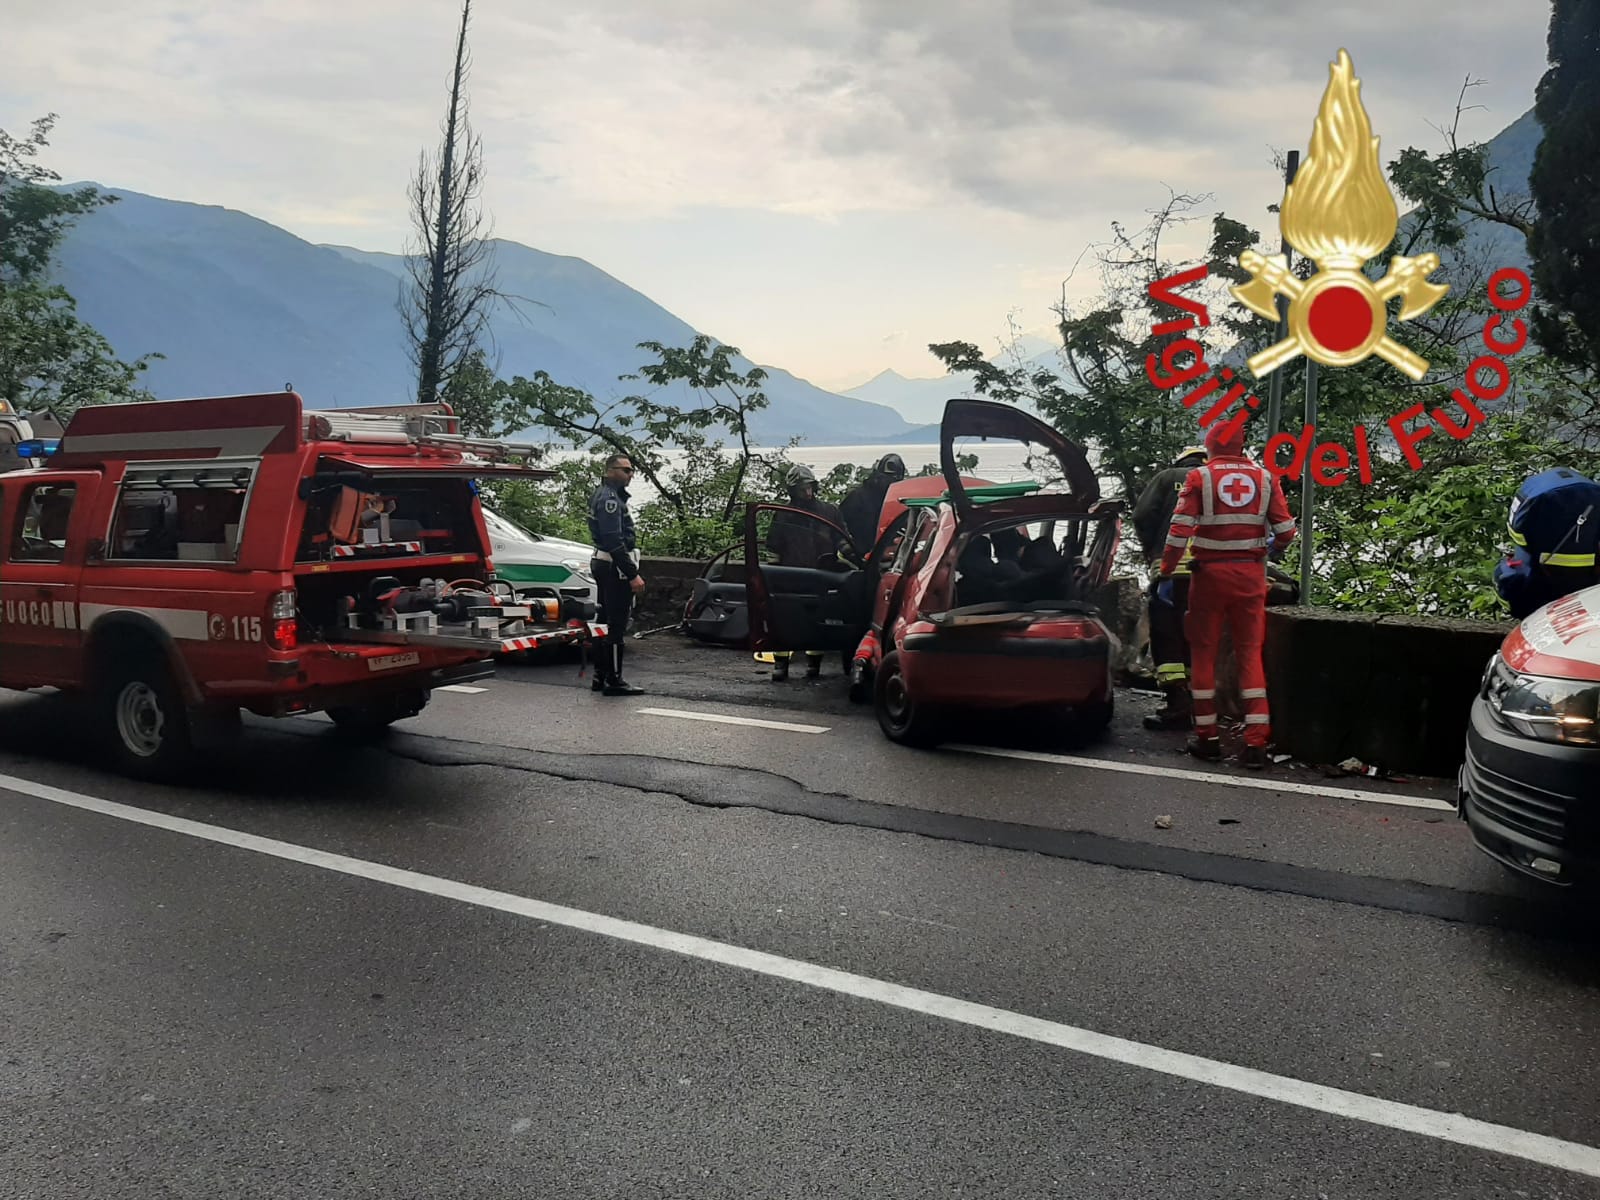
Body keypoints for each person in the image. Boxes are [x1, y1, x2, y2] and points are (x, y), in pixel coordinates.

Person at [1157, 415, 1295, 769]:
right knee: (1250, 654)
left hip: (1208, 579)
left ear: (1211, 446)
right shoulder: (1265, 479)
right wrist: (1270, 549)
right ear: (1241, 447)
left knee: (1203, 653)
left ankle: (1208, 738)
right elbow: (1286, 531)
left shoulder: (1199, 477)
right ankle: (1255, 744)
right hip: (1251, 577)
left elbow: (1177, 533)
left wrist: (1166, 572)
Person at [1133, 445, 1208, 730]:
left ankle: (1177, 703)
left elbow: (1142, 515)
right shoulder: (1215, 480)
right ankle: (1201, 704)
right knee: (1198, 636)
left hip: (1170, 567)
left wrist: (1150, 548)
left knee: (1167, 634)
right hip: (1208, 571)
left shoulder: (1167, 478)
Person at [766, 463, 849, 681]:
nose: (808, 492)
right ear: (792, 490)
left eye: (810, 487)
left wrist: (848, 553)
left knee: (818, 621)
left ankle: (814, 665)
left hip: (821, 576)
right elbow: (773, 547)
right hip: (790, 578)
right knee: (785, 621)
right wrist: (773, 578)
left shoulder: (829, 512)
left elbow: (841, 539)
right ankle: (781, 665)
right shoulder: (783, 515)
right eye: (803, 488)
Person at [587, 453, 647, 696]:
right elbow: (614, 540)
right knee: (616, 624)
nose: (630, 474)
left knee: (604, 622)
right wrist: (632, 573)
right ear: (610, 471)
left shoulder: (607, 495)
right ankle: (614, 679)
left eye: (631, 470)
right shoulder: (609, 499)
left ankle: (600, 676)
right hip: (613, 566)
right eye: (625, 470)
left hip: (606, 563)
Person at [839, 453, 907, 553]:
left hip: (890, 556)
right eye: (887, 478)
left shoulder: (900, 501)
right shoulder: (857, 498)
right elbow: (838, 525)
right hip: (859, 555)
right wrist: (846, 547)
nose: (889, 483)